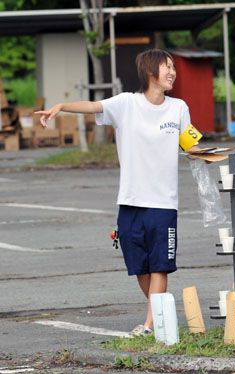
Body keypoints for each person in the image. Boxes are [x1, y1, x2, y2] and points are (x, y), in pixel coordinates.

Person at [35, 49, 200, 336]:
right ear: (151, 72)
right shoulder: (126, 104)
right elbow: (93, 106)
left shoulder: (179, 108)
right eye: (167, 67)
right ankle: (160, 313)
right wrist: (61, 106)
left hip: (163, 202)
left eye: (173, 67)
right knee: (139, 266)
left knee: (160, 265)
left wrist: (211, 155)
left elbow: (191, 143)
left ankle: (151, 324)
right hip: (131, 200)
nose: (173, 72)